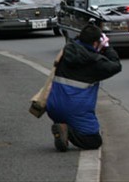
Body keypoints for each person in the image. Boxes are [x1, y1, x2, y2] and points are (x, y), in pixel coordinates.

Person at [47, 24, 121, 152]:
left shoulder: (68, 50)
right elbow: (115, 66)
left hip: (53, 106)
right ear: (96, 43)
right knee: (94, 141)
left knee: (70, 115)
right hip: (74, 109)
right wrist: (108, 48)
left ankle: (63, 125)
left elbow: (78, 43)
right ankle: (66, 129)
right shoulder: (94, 62)